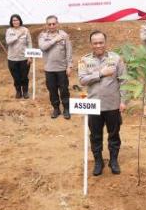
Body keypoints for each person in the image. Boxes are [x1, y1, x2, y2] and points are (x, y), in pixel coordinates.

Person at [78, 31, 127, 176]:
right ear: (91, 44)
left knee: (114, 134)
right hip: (94, 105)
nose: (98, 45)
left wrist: (123, 101)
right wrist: (100, 73)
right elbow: (82, 80)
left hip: (112, 104)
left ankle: (113, 160)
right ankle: (98, 161)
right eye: (95, 43)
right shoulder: (84, 60)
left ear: (105, 43)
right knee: (95, 135)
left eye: (101, 42)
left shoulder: (116, 59)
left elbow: (124, 80)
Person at [38, 15, 73, 119]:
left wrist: (69, 66)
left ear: (57, 24)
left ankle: (66, 109)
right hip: (49, 69)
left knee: (64, 90)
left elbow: (69, 51)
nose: (52, 26)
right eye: (49, 24)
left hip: (62, 68)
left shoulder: (64, 35)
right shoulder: (43, 36)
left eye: (54, 23)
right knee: (52, 90)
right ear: (46, 25)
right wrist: (55, 40)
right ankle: (56, 109)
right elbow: (43, 47)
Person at [5, 14, 32, 99]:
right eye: (13, 20)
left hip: (24, 58)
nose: (15, 22)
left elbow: (29, 43)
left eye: (17, 20)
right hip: (12, 58)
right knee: (16, 77)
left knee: (24, 76)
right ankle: (18, 91)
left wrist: (29, 56)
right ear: (11, 22)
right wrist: (18, 35)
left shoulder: (25, 30)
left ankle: (25, 91)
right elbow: (8, 42)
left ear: (20, 20)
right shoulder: (9, 30)